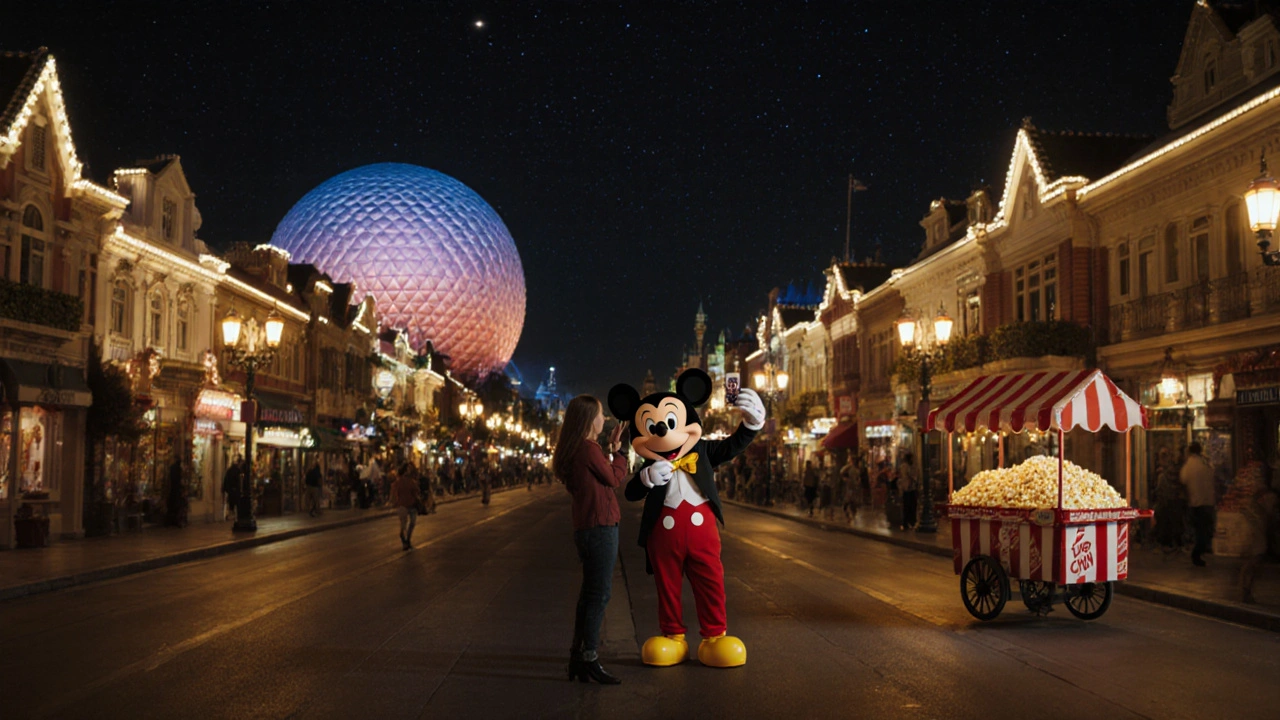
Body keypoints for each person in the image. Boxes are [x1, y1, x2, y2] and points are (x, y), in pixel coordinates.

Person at [553, 394, 628, 685]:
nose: (604, 419)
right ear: (588, 419)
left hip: (587, 527)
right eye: (600, 414)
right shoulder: (587, 448)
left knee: (589, 595)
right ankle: (589, 657)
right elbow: (613, 478)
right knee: (599, 595)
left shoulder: (579, 449)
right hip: (600, 526)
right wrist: (620, 455)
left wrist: (611, 447)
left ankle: (578, 656)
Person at [1180, 442, 1216, 567]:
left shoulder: (1189, 465)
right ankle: (1199, 552)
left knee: (1199, 530)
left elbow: (1183, 480)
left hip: (1195, 503)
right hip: (1208, 501)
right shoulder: (1205, 463)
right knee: (1205, 529)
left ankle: (1196, 554)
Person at [1154, 447, 1187, 553]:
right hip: (1172, 500)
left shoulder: (1167, 472)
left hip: (1170, 500)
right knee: (1171, 523)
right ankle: (1174, 543)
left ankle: (1171, 543)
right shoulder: (1168, 471)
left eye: (1164, 456)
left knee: (1170, 523)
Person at [390, 463, 422, 551]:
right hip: (407, 504)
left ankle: (405, 540)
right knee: (409, 523)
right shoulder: (408, 481)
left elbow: (393, 494)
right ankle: (406, 540)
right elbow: (416, 491)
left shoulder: (399, 482)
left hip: (405, 505)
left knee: (407, 523)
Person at [898, 452, 918, 531]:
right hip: (909, 488)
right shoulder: (907, 467)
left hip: (906, 489)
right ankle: (910, 522)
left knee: (907, 506)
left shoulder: (903, 466)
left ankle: (907, 522)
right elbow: (912, 476)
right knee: (910, 506)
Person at [166, 457, 187, 527]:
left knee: (174, 506)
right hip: (177, 491)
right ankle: (177, 521)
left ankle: (172, 521)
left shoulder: (173, 468)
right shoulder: (179, 469)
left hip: (173, 491)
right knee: (178, 507)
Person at [222, 456, 243, 522]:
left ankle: (229, 516)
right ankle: (236, 517)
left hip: (230, 490)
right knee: (237, 504)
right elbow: (239, 481)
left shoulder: (229, 470)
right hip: (236, 490)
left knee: (230, 504)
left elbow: (226, 480)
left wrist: (225, 489)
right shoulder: (238, 471)